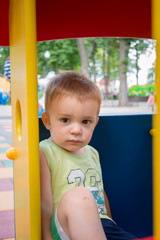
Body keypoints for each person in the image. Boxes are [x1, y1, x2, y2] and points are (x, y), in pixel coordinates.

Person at [39, 70, 136, 240]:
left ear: (95, 123)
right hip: (66, 228)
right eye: (65, 120)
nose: (76, 130)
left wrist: (111, 223)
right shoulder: (46, 151)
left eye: (85, 122)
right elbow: (45, 203)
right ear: (47, 121)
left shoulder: (92, 153)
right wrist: (46, 236)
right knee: (80, 196)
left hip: (102, 226)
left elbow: (101, 192)